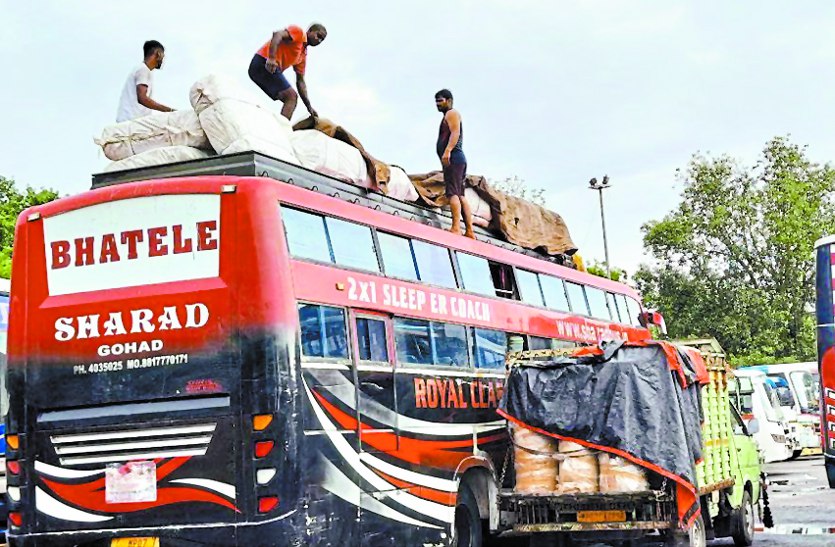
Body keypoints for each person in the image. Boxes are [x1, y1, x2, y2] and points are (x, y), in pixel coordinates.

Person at [249, 24, 327, 120]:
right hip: (263, 62)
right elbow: (277, 34)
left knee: (288, 97)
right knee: (291, 97)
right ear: (310, 31)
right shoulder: (299, 33)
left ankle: (276, 123)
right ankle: (281, 130)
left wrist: (309, 107)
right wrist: (272, 58)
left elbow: (300, 81)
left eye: (321, 40)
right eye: (318, 35)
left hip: (266, 71)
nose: (318, 40)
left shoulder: (302, 56)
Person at [435, 89, 474, 238]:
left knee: (453, 194)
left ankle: (456, 227)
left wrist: (448, 151)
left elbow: (455, 132)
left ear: (449, 100)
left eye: (441, 100)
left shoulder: (452, 113)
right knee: (460, 194)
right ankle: (469, 230)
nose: (438, 104)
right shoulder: (449, 115)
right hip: (458, 159)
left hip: (454, 158)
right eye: (436, 101)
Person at [116, 40, 174, 123]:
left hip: (130, 119)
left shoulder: (141, 69)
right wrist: (169, 111)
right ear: (158, 53)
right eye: (163, 55)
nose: (163, 59)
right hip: (132, 120)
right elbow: (142, 98)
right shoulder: (143, 70)